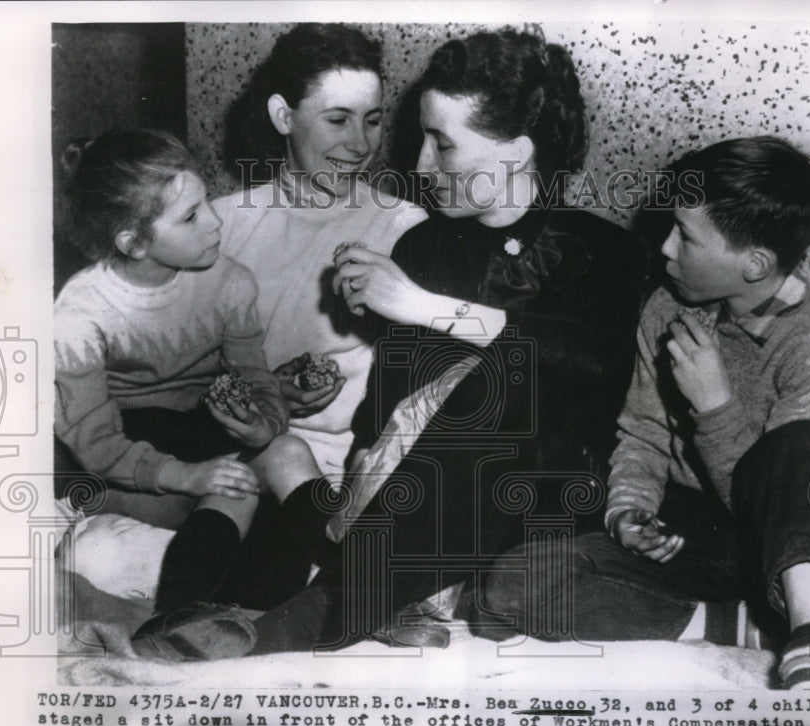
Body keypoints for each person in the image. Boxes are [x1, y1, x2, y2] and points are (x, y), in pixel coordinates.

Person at [237, 28, 648, 654]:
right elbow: (386, 415)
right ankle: (376, 578)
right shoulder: (422, 246)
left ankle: (337, 600)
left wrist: (423, 307)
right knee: (326, 466)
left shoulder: (604, 250)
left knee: (502, 378)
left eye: (443, 144)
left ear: (516, 154)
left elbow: (588, 361)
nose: (420, 165)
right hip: (421, 503)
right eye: (423, 137)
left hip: (545, 502)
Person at [482, 136, 810, 690]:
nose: (665, 248)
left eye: (686, 236)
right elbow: (643, 433)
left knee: (805, 443)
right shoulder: (666, 306)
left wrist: (714, 404)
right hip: (690, 535)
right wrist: (629, 513)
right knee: (511, 582)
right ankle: (732, 625)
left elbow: (783, 497)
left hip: (783, 552)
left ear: (754, 263)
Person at [211, 23, 427, 480]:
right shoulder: (219, 226)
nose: (361, 145)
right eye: (337, 119)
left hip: (350, 472)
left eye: (372, 120)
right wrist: (263, 392)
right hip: (224, 464)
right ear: (283, 116)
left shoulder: (406, 227)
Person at [55, 129, 289, 504]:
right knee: (217, 504)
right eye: (191, 216)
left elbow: (255, 377)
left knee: (285, 456)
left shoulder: (231, 281)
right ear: (134, 243)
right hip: (128, 449)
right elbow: (94, 439)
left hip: (204, 429)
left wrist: (265, 423)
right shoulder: (78, 313)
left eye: (207, 202)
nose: (215, 222)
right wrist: (187, 477)